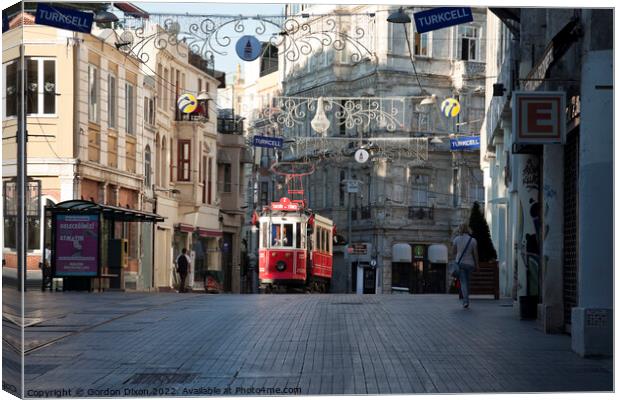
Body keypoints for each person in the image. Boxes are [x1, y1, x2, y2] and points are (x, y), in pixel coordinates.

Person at [452, 223, 479, 308]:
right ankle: (466, 298)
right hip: (470, 264)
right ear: (468, 229)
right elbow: (475, 254)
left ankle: (465, 301)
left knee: (463, 282)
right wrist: (477, 265)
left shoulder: (456, 239)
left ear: (459, 229)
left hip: (460, 264)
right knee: (467, 281)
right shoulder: (473, 240)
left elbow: (453, 252)